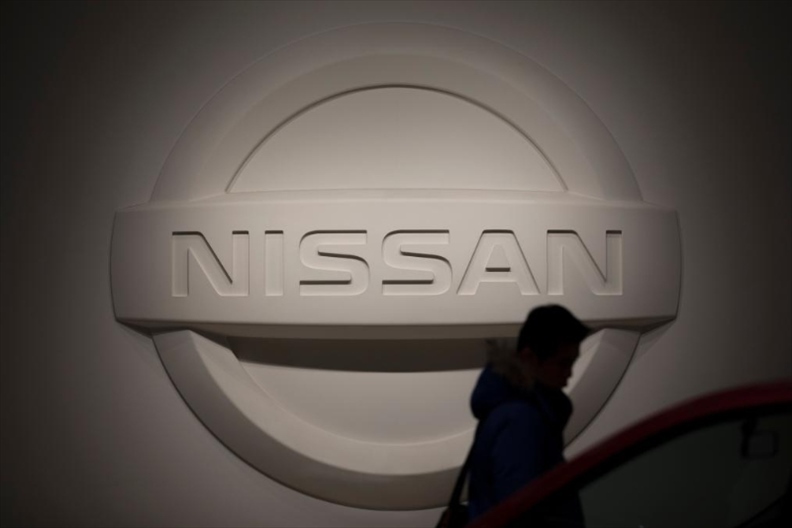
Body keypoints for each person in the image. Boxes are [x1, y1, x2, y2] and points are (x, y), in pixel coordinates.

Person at [467, 304, 589, 525]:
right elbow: (520, 511)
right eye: (563, 363)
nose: (570, 373)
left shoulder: (518, 411)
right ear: (529, 357)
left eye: (572, 363)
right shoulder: (520, 420)